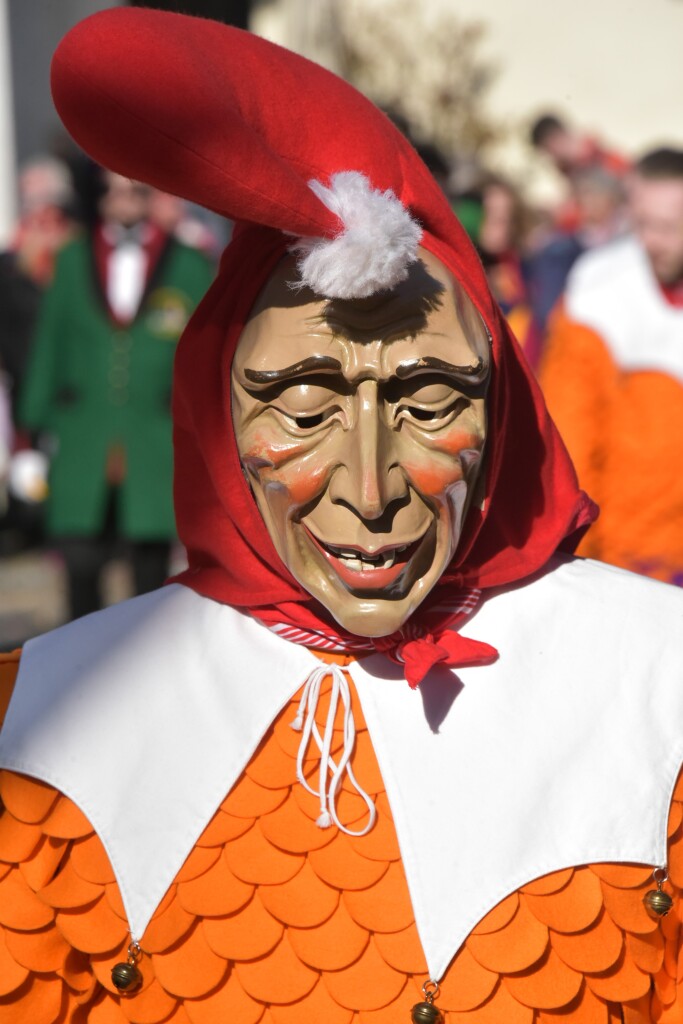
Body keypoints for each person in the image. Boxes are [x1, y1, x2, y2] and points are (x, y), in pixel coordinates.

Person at [0, 10, 683, 1023]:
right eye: (306, 406)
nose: (369, 493)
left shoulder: (654, 682)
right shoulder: (42, 729)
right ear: (220, 413)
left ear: (498, 411)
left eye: (428, 401)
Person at [18, 167, 214, 620]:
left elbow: (206, 352)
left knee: (150, 574)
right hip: (85, 435)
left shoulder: (186, 262)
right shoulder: (70, 259)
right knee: (81, 566)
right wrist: (29, 436)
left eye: (137, 189)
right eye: (116, 190)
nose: (126, 200)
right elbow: (50, 345)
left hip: (153, 436)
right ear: (100, 196)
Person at [540, 147, 683, 585]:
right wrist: (587, 566)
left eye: (669, 227)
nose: (652, 241)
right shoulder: (598, 296)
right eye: (643, 224)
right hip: (629, 564)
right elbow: (571, 451)